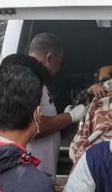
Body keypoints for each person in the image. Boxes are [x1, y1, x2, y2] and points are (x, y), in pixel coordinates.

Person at [27, 33, 86, 179]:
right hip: (34, 173)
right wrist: (69, 117)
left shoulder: (37, 80)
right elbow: (28, 126)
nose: (58, 69)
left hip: (41, 172)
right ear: (49, 58)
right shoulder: (29, 80)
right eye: (59, 62)